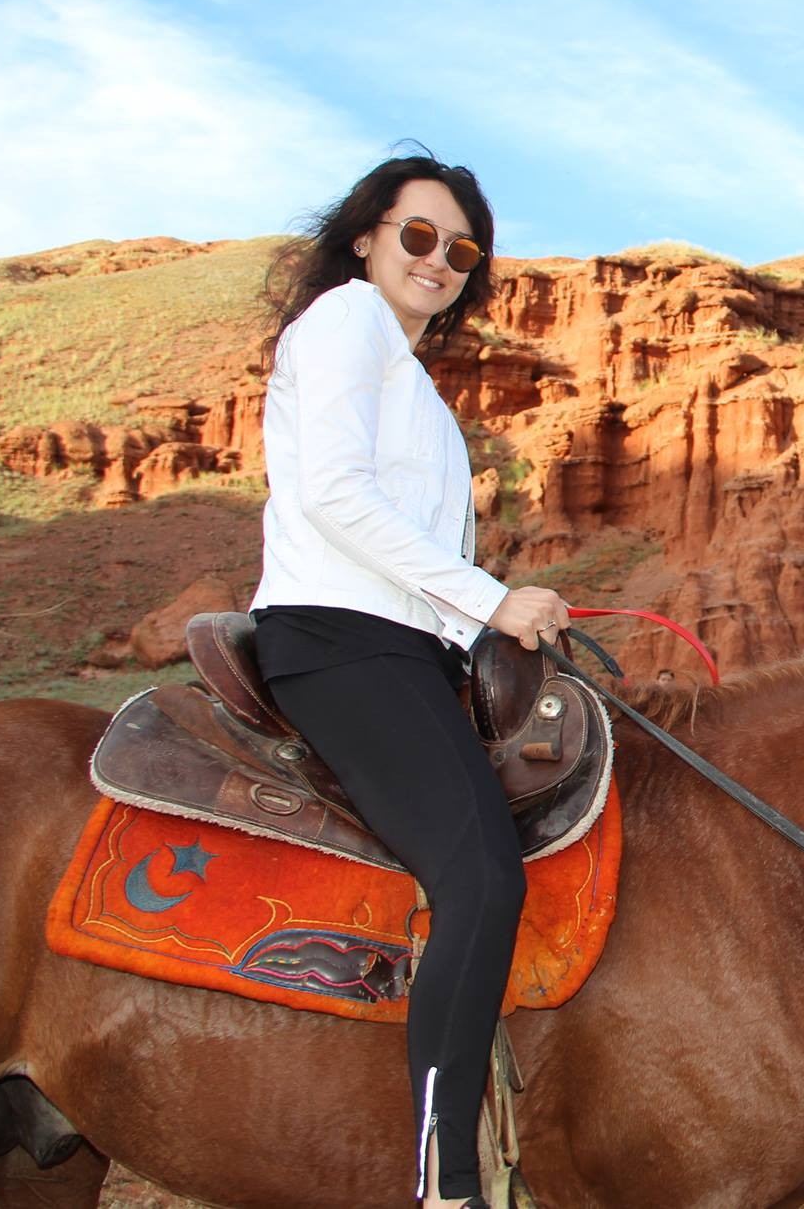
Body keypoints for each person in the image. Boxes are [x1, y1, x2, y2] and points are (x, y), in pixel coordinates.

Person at [248, 151, 570, 1209]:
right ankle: (445, 1181)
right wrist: (488, 600)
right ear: (366, 237)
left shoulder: (406, 370)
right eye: (417, 235)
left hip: (399, 645)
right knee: (481, 873)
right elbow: (335, 498)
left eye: (459, 249)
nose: (437, 261)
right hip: (339, 639)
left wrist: (485, 627)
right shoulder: (345, 322)